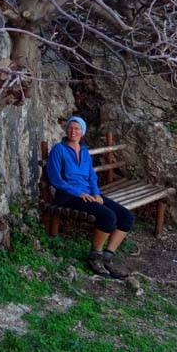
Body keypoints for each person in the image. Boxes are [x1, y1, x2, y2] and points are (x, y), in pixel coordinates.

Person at [46, 116, 134, 279]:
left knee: (126, 216)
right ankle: (95, 256)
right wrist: (78, 193)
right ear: (66, 130)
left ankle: (107, 257)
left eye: (77, 128)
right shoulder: (59, 150)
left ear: (82, 132)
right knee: (108, 216)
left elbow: (92, 176)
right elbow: (56, 179)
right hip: (68, 196)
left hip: (88, 194)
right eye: (71, 128)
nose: (73, 131)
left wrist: (96, 194)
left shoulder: (84, 151)